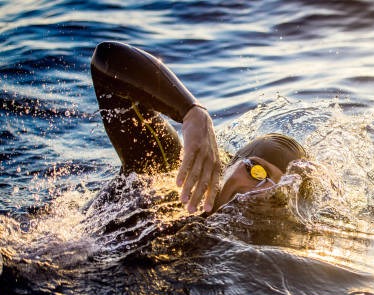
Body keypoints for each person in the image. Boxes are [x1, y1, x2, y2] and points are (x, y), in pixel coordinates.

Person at [90, 41, 307, 214]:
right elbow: (108, 58)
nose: (262, 192)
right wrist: (191, 111)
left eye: (278, 193)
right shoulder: (163, 172)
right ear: (230, 163)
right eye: (258, 173)